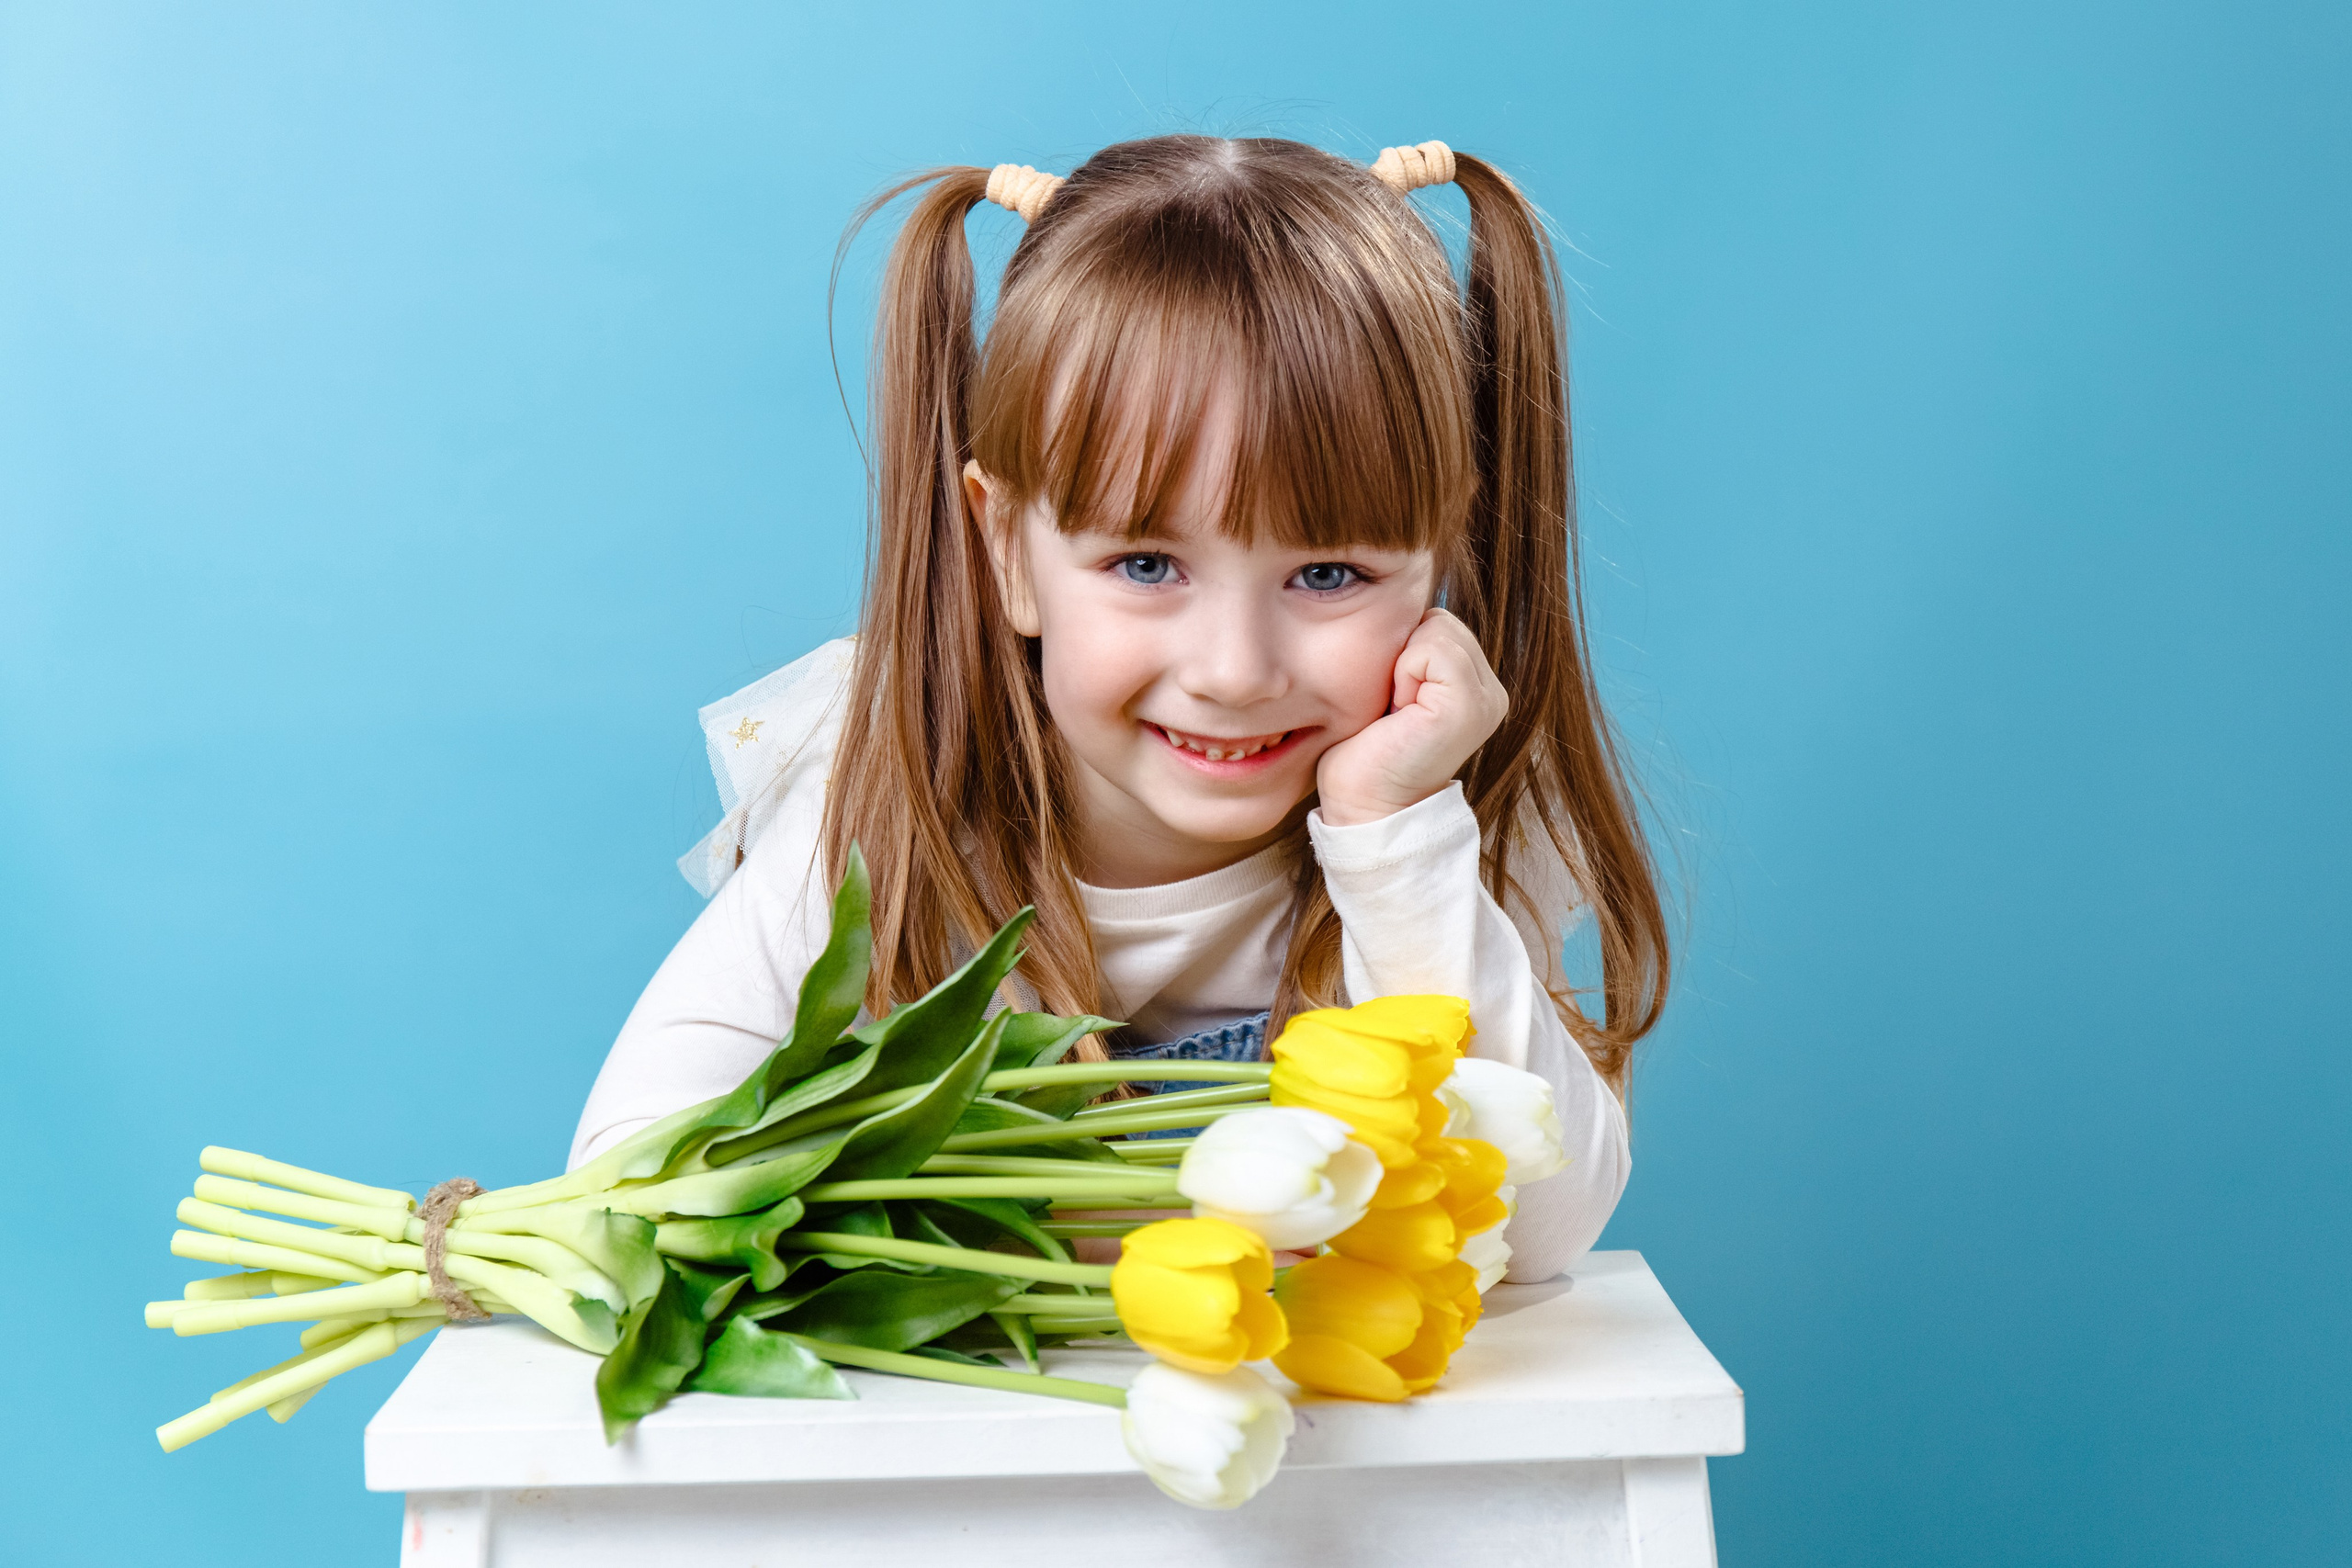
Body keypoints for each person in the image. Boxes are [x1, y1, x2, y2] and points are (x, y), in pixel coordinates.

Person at [568, 134, 1670, 1284]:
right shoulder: (888, 816)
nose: (1235, 670)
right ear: (1007, 549)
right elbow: (632, 1184)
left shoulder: (1429, 825)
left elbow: (1538, 1236)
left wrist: (1391, 839)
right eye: (1148, 565)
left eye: (1329, 574)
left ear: (1441, 560)